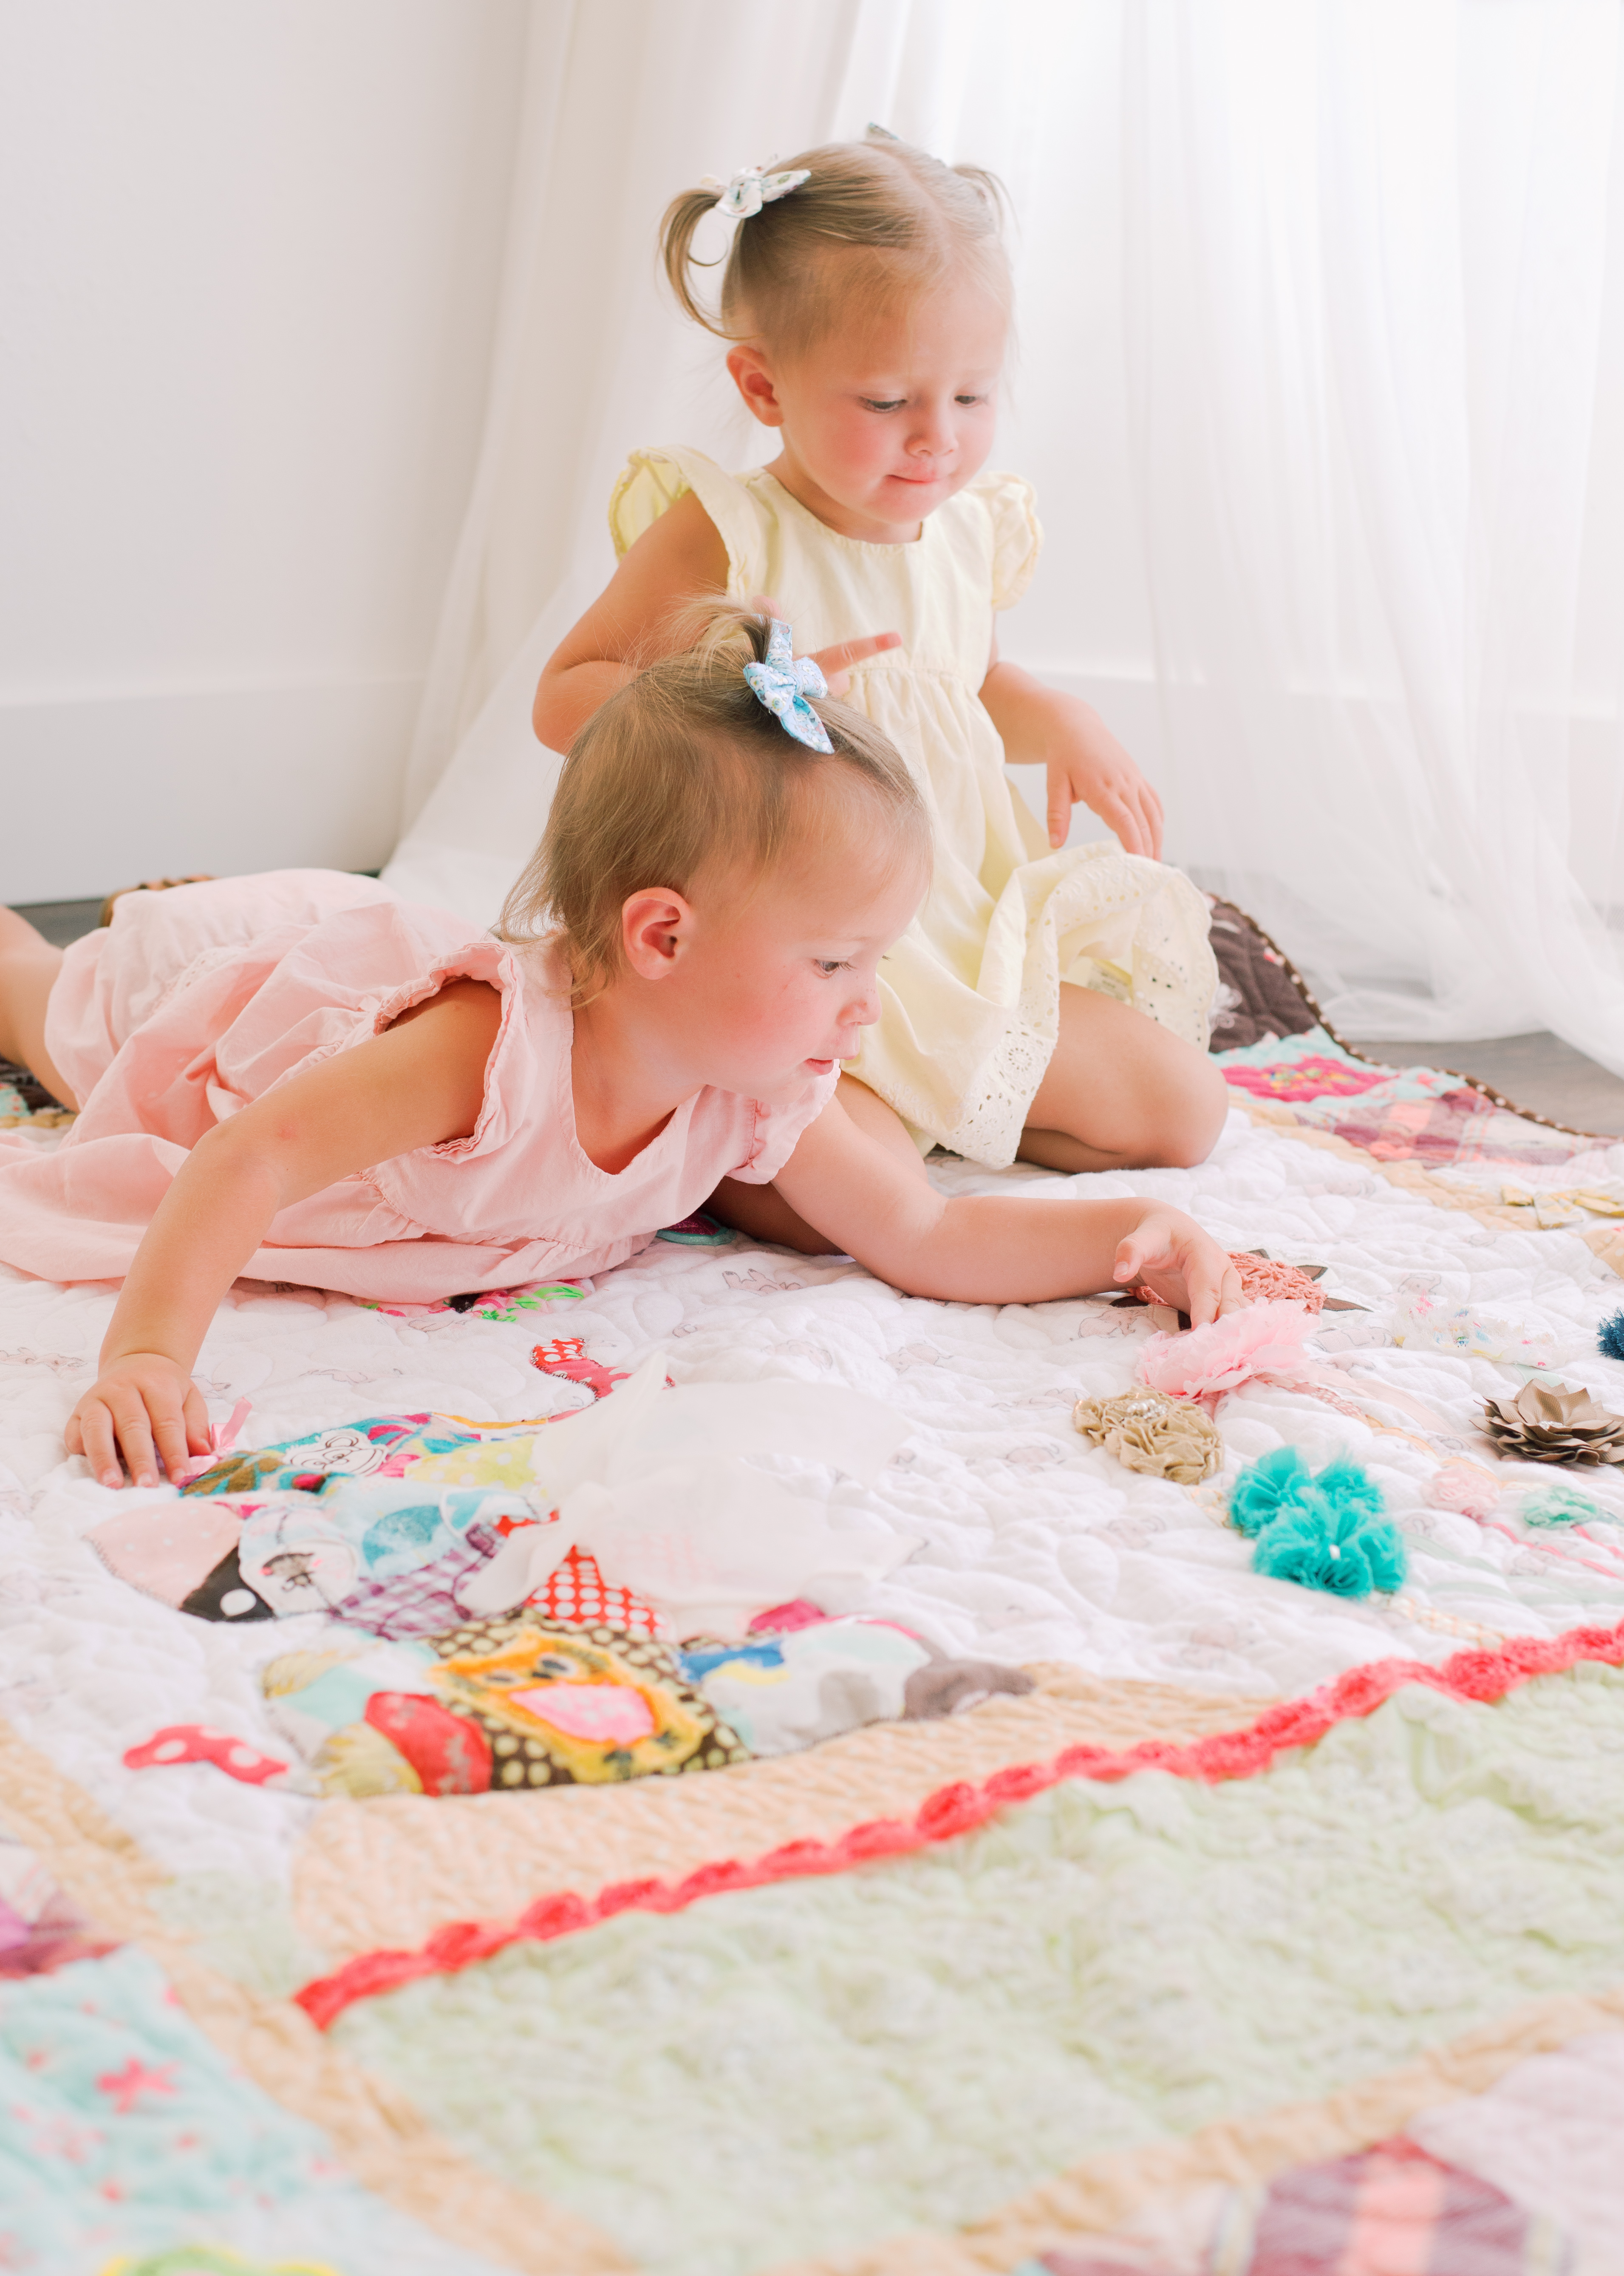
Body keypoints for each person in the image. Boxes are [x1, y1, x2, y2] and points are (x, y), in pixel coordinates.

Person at [0, 618, 1241, 1492]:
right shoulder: (486, 1050)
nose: (869, 1008)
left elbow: (927, 1234)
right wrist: (151, 1356)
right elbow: (250, 1157)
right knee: (49, 1016)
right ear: (662, 935)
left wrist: (1130, 1234)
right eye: (833, 965)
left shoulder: (753, 1093)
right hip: (244, 1010)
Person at [533, 130, 1228, 1259]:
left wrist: (1063, 720)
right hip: (791, 960)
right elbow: (565, 694)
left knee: (1185, 1111)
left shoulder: (961, 532)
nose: (936, 439)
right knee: (849, 1209)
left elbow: (966, 679)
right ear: (764, 384)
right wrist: (736, 696)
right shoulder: (729, 533)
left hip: (950, 936)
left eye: (970, 394)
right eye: (889, 398)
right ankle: (772, 1129)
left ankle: (949, 1104)